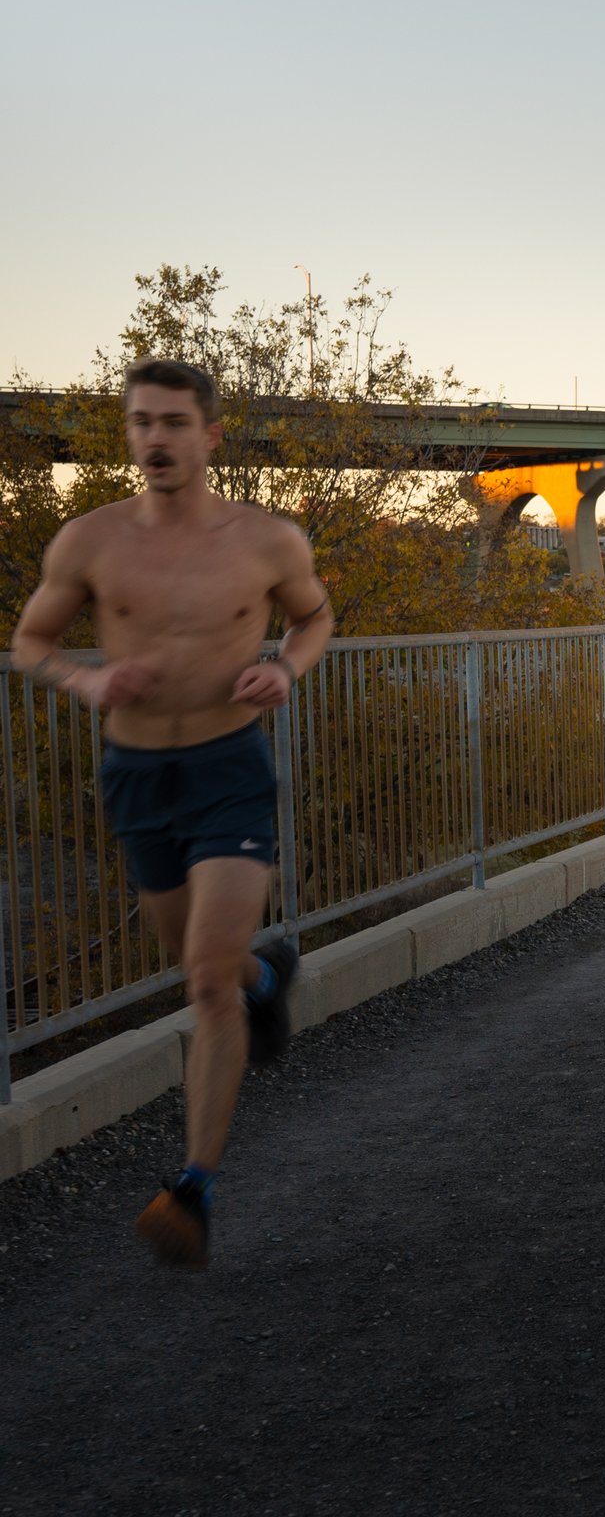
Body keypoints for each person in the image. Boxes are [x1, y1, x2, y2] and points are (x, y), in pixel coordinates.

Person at [11, 358, 334, 1267]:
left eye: (173, 423)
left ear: (210, 434)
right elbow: (30, 643)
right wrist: (86, 677)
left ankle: (193, 1186)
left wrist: (287, 668)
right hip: (136, 776)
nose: (154, 438)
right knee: (204, 965)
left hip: (229, 769)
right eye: (140, 422)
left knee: (201, 983)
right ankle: (265, 981)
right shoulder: (89, 542)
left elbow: (315, 619)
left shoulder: (269, 541)